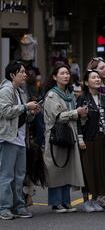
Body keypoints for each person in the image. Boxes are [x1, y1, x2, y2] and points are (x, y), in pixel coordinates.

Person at [43, 64, 88, 213]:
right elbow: (58, 117)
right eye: (62, 73)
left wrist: (81, 114)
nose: (66, 76)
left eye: (67, 73)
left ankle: (66, 201)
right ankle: (56, 203)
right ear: (55, 77)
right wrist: (76, 112)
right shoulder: (52, 95)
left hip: (69, 135)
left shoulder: (69, 94)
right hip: (56, 137)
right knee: (56, 168)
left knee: (67, 167)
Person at [0, 62, 40, 220]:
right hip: (8, 139)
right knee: (7, 176)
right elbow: (4, 111)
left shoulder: (20, 91)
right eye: (22, 72)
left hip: (20, 140)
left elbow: (22, 115)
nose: (25, 75)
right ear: (12, 75)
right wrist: (25, 107)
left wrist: (32, 112)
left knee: (19, 176)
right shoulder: (6, 90)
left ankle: (18, 206)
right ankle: (4, 208)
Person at [76, 70, 105, 212]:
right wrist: (80, 138)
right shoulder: (82, 98)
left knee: (101, 170)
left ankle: (95, 200)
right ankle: (86, 201)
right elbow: (77, 121)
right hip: (88, 139)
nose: (97, 79)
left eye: (98, 77)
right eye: (94, 77)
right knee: (88, 171)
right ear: (87, 82)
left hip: (103, 139)